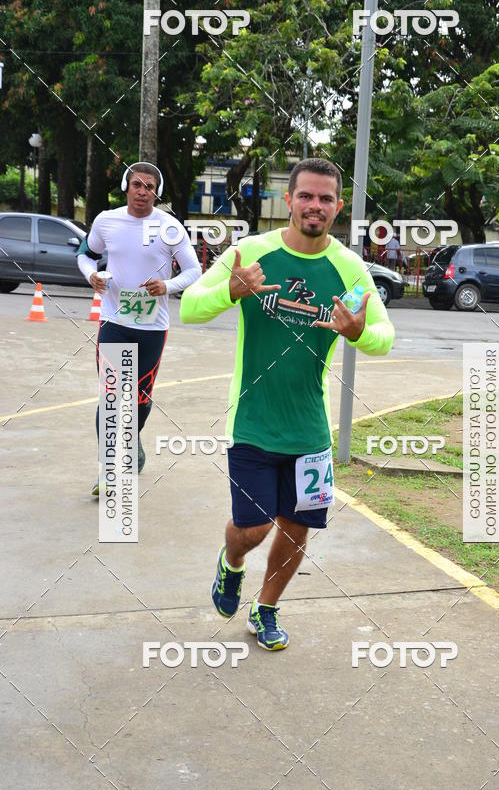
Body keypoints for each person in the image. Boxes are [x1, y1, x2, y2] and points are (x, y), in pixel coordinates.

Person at [180, 157, 395, 651]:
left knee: (297, 532)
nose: (314, 206)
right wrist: (229, 293)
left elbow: (385, 334)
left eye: (325, 198)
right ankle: (231, 563)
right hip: (253, 422)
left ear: (337, 207)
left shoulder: (348, 268)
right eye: (305, 196)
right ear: (289, 200)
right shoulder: (251, 251)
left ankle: (267, 607)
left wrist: (360, 332)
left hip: (310, 430)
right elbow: (190, 305)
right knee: (252, 529)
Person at [77, 162, 201, 495]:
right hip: (114, 320)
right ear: (126, 186)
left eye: (149, 186)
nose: (142, 191)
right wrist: (91, 274)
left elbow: (194, 270)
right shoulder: (107, 220)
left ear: (156, 193)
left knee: (139, 400)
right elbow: (87, 254)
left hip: (151, 328)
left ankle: (135, 443)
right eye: (136, 184)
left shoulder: (169, 227)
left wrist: (168, 285)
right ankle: (109, 472)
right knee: (112, 397)